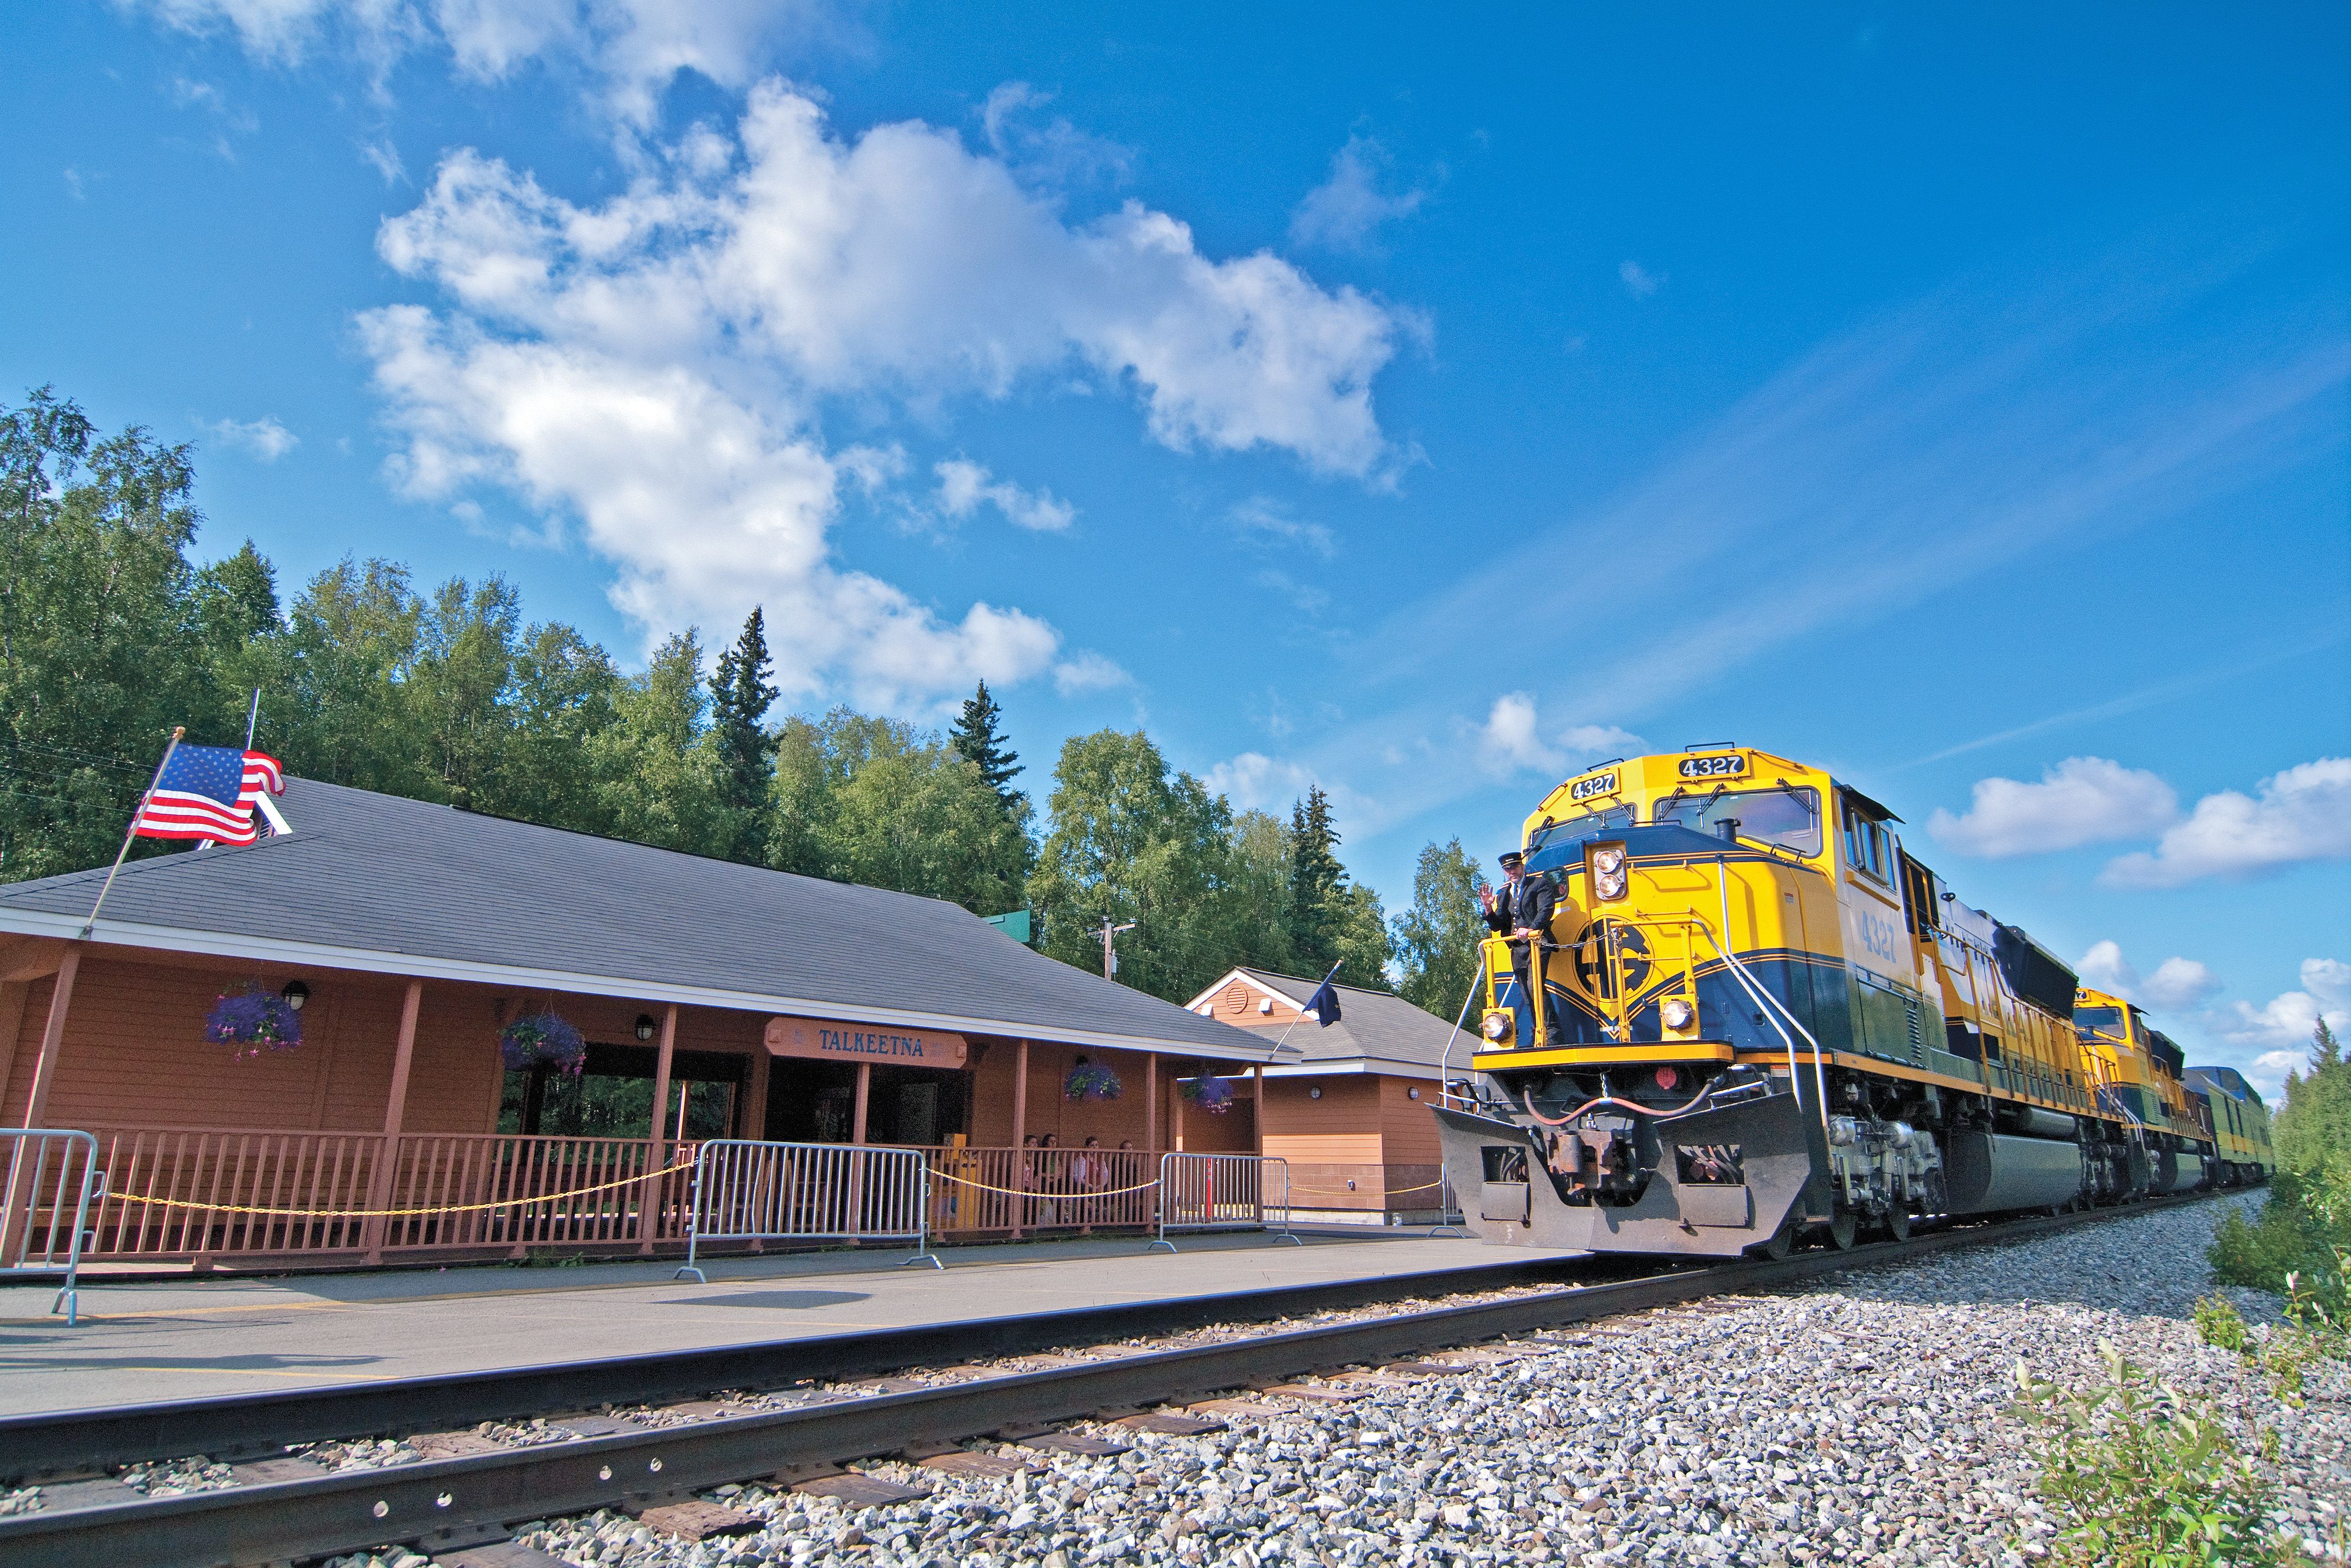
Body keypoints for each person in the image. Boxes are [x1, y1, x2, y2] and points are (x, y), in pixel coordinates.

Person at [1480, 849, 1558, 1042]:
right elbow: (1500, 925)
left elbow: (1546, 910)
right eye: (1507, 869)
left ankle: (1552, 1034)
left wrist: (1530, 929)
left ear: (1522, 866)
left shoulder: (1539, 884)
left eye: (1514, 867)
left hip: (1537, 943)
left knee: (1535, 986)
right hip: (1517, 949)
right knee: (1525, 991)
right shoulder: (1506, 893)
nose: (1511, 872)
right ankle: (1538, 1032)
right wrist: (1488, 908)